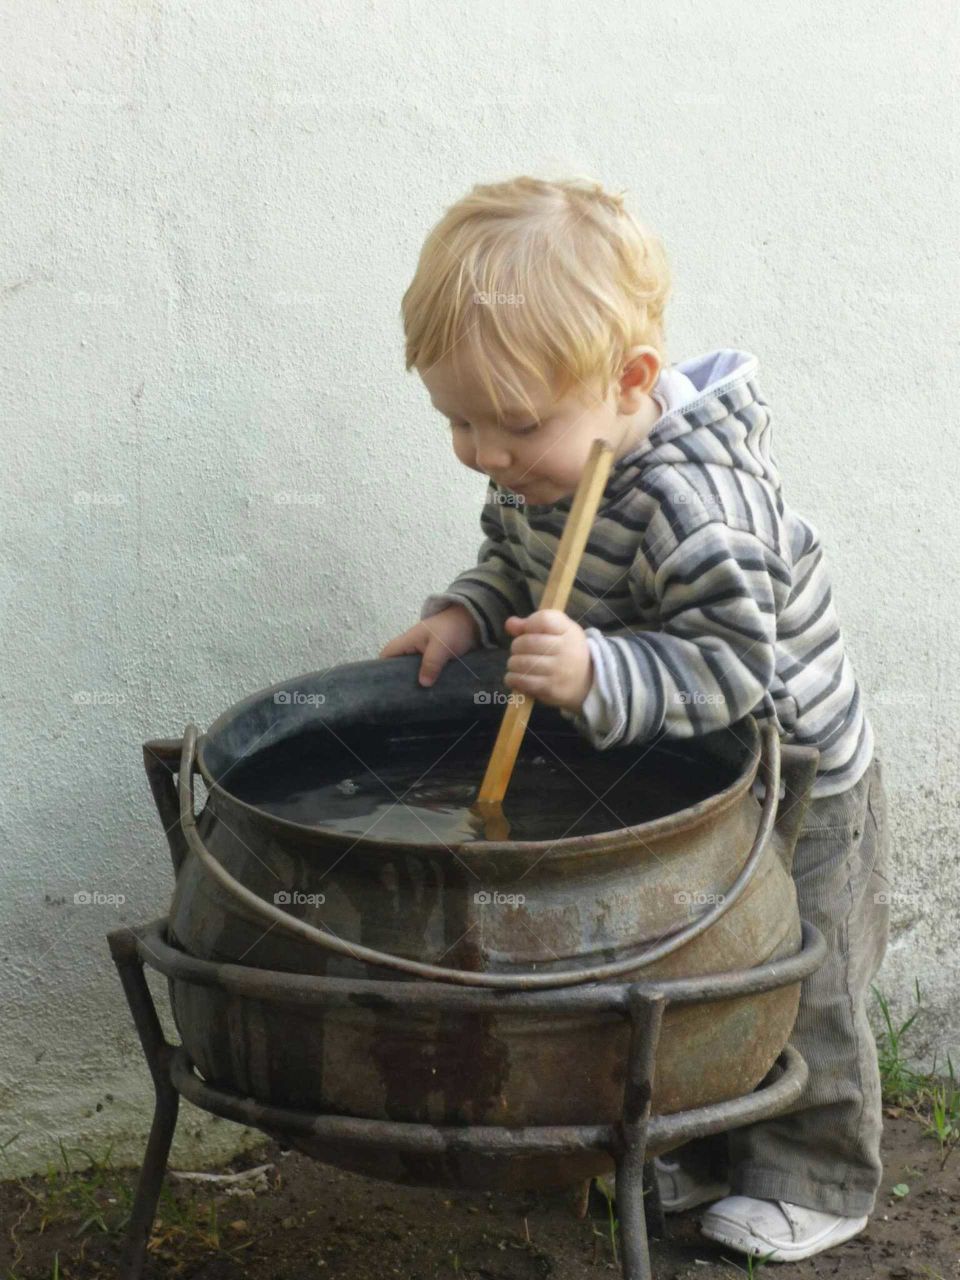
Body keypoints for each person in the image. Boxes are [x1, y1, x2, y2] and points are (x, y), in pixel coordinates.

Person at [378, 175, 891, 1263]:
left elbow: (734, 671)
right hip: (689, 770)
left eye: (511, 424)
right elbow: (513, 564)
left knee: (803, 970)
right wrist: (467, 616)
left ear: (631, 382)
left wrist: (601, 667)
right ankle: (703, 1145)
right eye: (455, 419)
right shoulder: (540, 463)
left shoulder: (694, 507)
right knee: (698, 964)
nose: (482, 452)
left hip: (794, 772)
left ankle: (821, 1169)